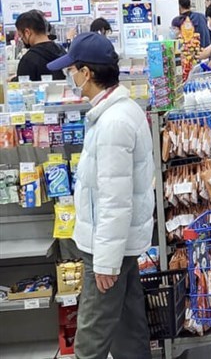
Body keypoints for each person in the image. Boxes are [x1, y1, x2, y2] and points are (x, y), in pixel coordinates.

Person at [46, 32, 154, 359]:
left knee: (91, 338)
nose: (71, 76)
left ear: (87, 73)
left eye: (73, 69)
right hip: (119, 245)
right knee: (129, 329)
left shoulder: (113, 123)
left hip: (106, 250)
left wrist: (106, 262)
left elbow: (114, 199)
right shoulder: (119, 111)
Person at [14, 10, 67, 81]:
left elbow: (23, 88)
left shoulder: (28, 60)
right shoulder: (62, 51)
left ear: (27, 32)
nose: (21, 39)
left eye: (21, 35)